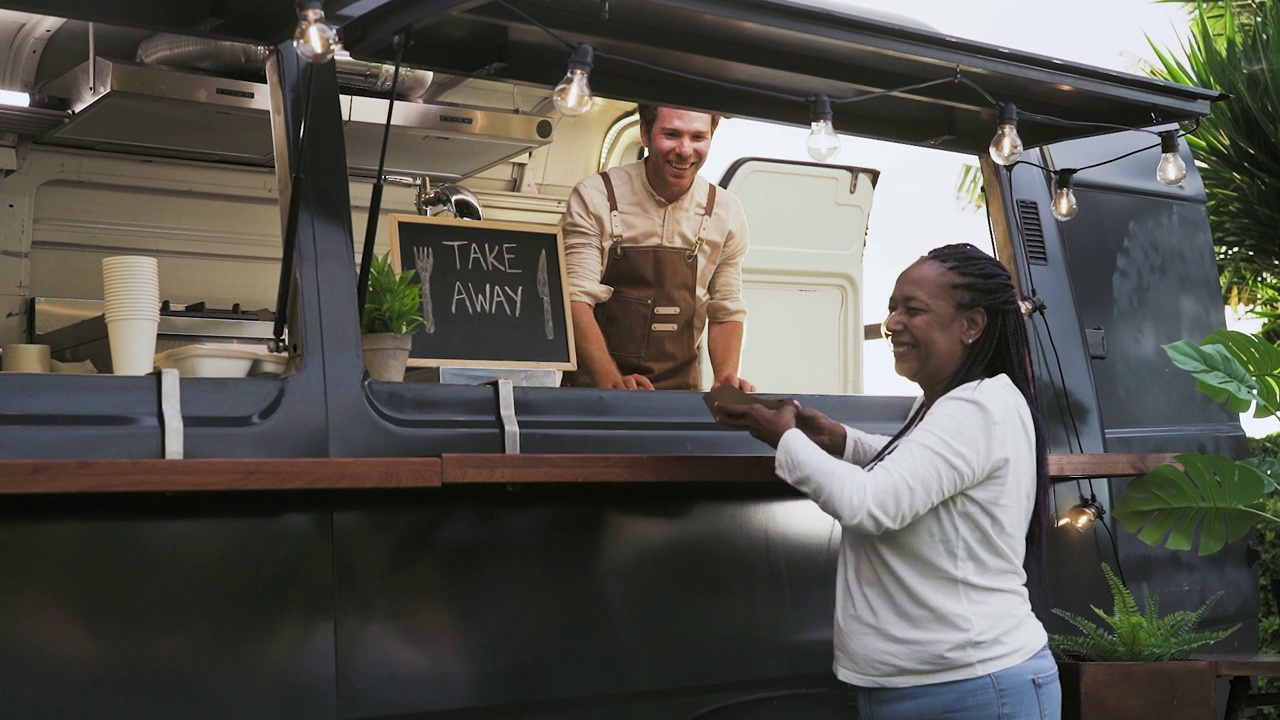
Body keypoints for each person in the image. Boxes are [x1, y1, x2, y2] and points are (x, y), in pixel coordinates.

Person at [714, 243, 1059, 720]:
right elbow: (928, 474)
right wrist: (841, 441)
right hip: (939, 687)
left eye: (912, 309)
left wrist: (787, 439)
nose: (892, 322)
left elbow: (871, 504)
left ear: (971, 325)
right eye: (892, 308)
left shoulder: (974, 408)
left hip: (972, 691)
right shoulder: (957, 402)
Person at [560, 104, 753, 391]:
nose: (685, 150)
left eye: (698, 137)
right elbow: (574, 299)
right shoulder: (596, 196)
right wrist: (611, 382)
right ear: (645, 134)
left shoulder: (726, 211)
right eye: (672, 134)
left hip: (679, 397)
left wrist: (725, 377)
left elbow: (726, 309)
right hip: (593, 393)